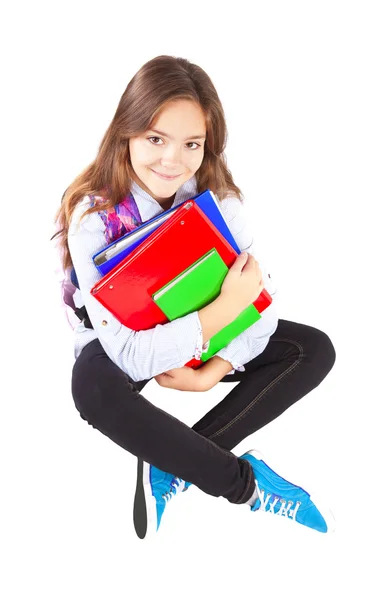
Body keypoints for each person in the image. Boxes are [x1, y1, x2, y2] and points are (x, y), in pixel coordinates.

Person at [52, 55, 336, 540]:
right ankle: (246, 486)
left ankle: (173, 467)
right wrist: (222, 312)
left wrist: (214, 370)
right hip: (129, 340)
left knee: (313, 350)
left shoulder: (217, 198)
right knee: (93, 388)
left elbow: (261, 311)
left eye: (192, 144)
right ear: (127, 132)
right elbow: (128, 353)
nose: (172, 160)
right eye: (155, 139)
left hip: (204, 335)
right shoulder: (92, 214)